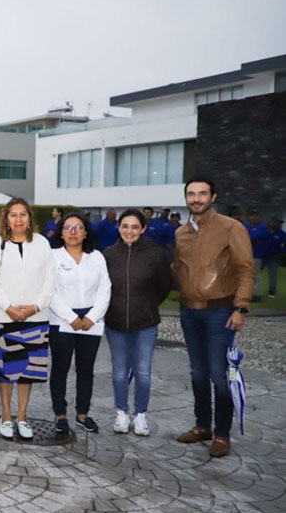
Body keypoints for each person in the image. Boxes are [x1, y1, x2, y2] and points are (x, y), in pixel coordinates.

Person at [173, 177, 255, 458]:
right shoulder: (181, 232)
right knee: (197, 373)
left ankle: (222, 434)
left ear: (213, 196)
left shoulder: (231, 227)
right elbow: (179, 269)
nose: (196, 198)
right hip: (189, 311)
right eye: (191, 194)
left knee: (220, 376)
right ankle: (202, 426)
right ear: (185, 198)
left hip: (220, 312)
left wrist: (240, 308)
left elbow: (246, 270)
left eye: (202, 193)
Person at [0, 197, 55, 440]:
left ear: (29, 218)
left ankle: (22, 417)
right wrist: (10, 308)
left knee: (27, 371)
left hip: (35, 318)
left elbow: (50, 280)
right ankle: (6, 415)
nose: (18, 219)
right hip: (4, 318)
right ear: (6, 218)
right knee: (6, 370)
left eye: (22, 214)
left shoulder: (42, 244)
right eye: (13, 215)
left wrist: (35, 306)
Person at [103, 209, 172, 436]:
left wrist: (148, 305)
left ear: (143, 228)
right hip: (116, 324)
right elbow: (103, 289)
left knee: (143, 372)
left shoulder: (155, 253)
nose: (129, 231)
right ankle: (121, 413)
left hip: (145, 324)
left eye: (134, 227)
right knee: (119, 372)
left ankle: (140, 414)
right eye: (125, 226)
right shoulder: (109, 254)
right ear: (119, 227)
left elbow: (164, 286)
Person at [48, 213, 110, 434]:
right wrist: (71, 317)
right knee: (60, 369)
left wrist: (91, 317)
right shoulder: (53, 257)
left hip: (91, 320)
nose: (73, 232)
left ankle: (83, 414)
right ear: (61, 233)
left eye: (78, 227)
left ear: (85, 233)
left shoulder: (97, 257)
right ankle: (60, 414)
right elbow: (50, 291)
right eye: (68, 228)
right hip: (61, 320)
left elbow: (105, 289)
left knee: (86, 369)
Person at [245, 209, 269, 302]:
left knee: (256, 274)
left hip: (257, 254)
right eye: (252, 215)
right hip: (248, 253)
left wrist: (249, 236)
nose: (253, 217)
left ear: (259, 217)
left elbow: (254, 237)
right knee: (247, 275)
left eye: (256, 215)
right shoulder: (248, 225)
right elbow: (242, 235)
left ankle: (257, 294)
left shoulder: (262, 227)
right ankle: (249, 293)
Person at [262, 218, 285, 298]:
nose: (279, 224)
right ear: (271, 223)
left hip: (274, 258)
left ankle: (272, 293)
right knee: (255, 273)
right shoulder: (265, 232)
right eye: (278, 223)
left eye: (280, 223)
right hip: (262, 256)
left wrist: (280, 252)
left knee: (273, 275)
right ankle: (253, 290)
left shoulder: (282, 234)